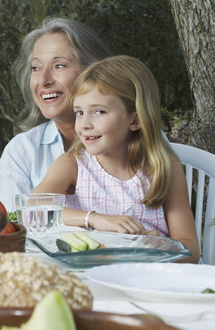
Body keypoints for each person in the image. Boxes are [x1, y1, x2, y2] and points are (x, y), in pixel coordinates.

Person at [32, 55, 200, 263]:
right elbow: (32, 209)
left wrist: (155, 248)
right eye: (79, 112)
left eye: (99, 112)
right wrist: (93, 218)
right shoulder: (72, 165)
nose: (84, 124)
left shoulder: (165, 169)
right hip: (94, 275)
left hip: (153, 278)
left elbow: (190, 249)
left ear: (135, 119)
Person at [0, 17, 111, 211]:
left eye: (60, 65)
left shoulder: (138, 139)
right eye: (36, 68)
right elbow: (9, 228)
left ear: (93, 72)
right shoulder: (22, 150)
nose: (44, 80)